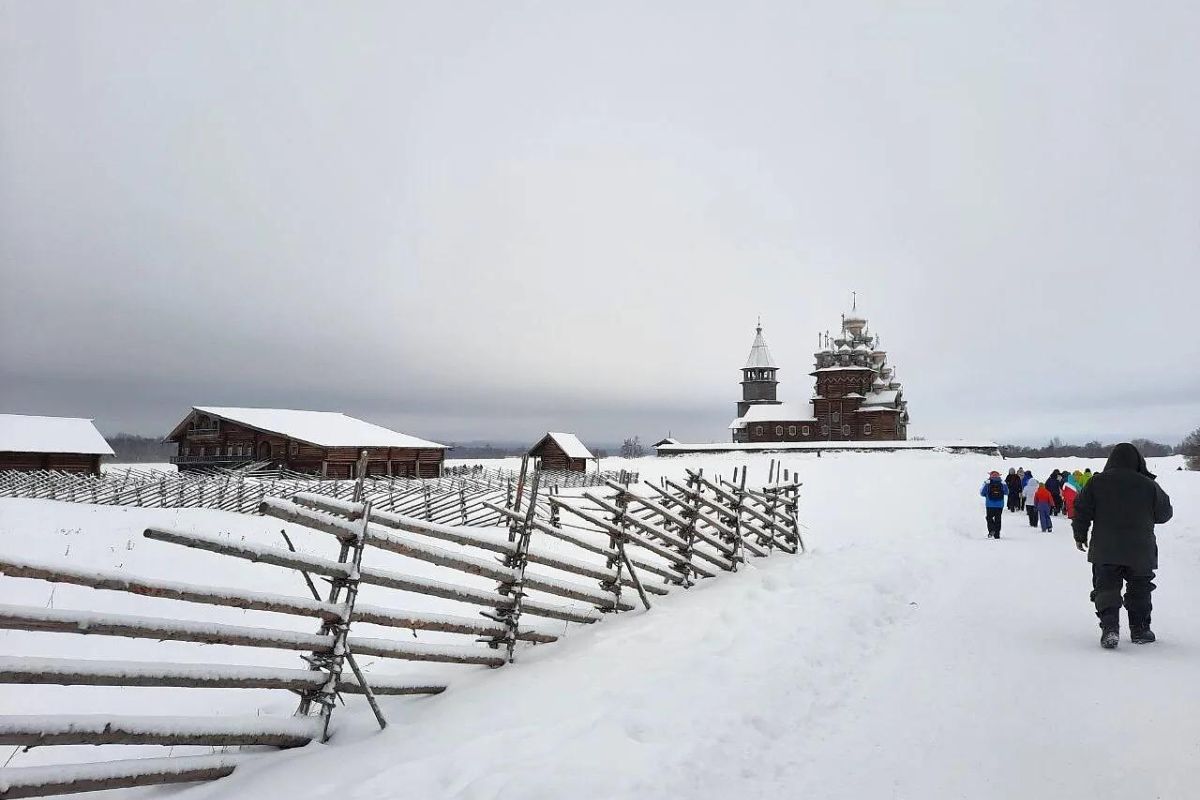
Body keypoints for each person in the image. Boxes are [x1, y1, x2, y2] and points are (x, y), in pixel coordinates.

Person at [1073, 443, 1173, 649]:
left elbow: (1081, 510)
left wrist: (1079, 535)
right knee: (1140, 588)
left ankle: (1110, 629)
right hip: (1140, 549)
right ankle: (1140, 629)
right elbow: (1164, 514)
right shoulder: (1148, 485)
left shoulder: (1096, 482)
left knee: (1106, 586)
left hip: (1105, 547)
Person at [980, 470, 1008, 539]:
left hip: (990, 505)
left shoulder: (988, 483)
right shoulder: (1002, 483)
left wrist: (986, 485)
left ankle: (992, 530)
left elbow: (982, 493)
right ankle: (997, 534)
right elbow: (1007, 492)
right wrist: (1004, 485)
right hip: (999, 505)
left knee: (989, 517)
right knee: (998, 519)